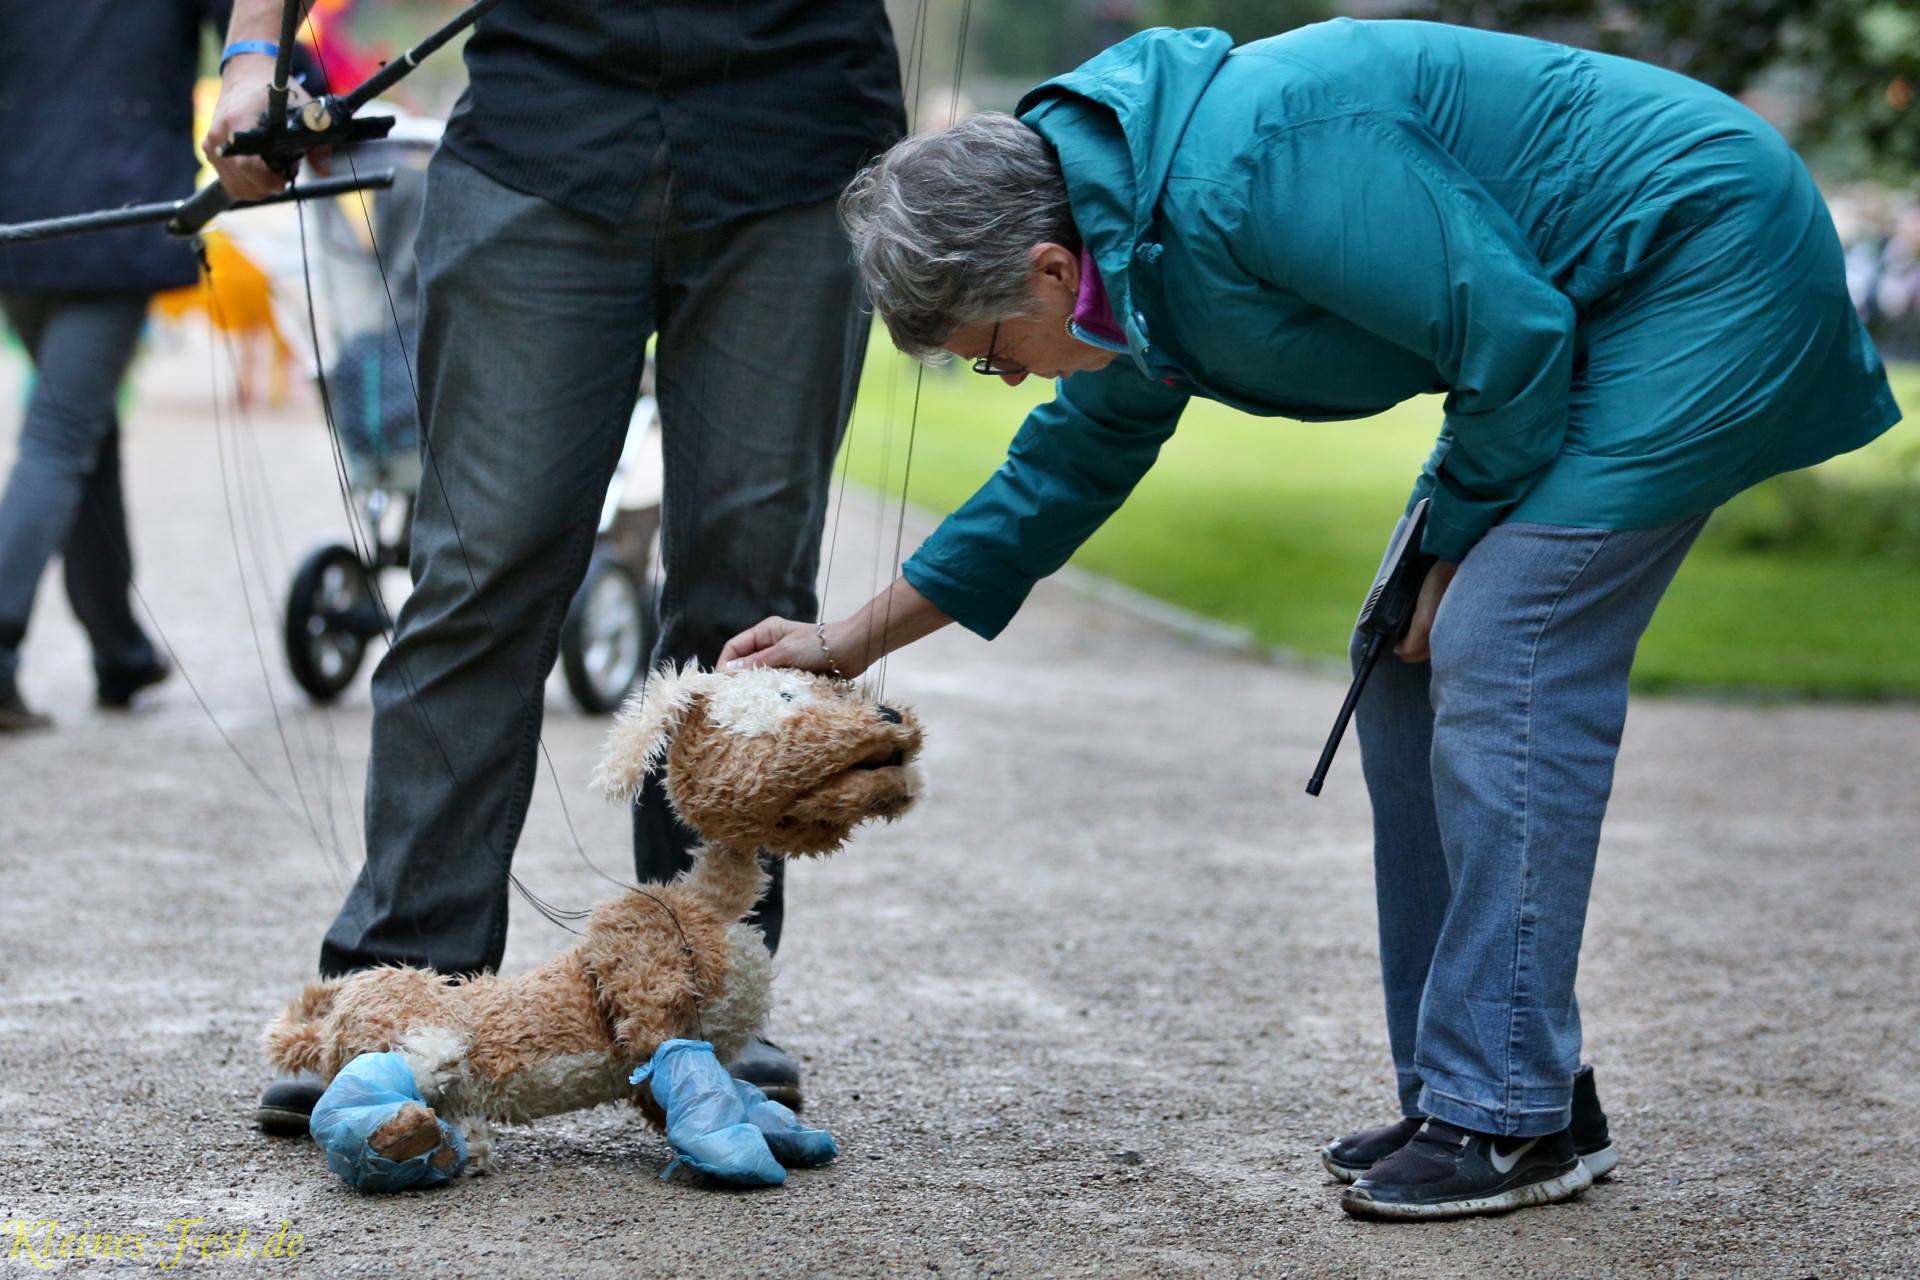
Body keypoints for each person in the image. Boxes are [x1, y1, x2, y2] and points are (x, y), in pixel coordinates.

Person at [719, 20, 1902, 1221]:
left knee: (1503, 640)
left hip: (1699, 255)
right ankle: (1475, 1086)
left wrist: (1452, 547)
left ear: (1041, 270)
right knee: (1400, 654)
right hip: (1565, 308)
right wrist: (843, 645)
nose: (1009, 378)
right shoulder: (1123, 248)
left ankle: (1511, 1113)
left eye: (990, 354)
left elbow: (1510, 330)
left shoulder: (1247, 170)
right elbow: (1055, 479)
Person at [205, 1, 904, 1127]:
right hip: (545, 132)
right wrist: (250, 61)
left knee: (753, 602)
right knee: (478, 577)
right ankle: (396, 992)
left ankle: (700, 999)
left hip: (801, 141)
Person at [0, 2, 217, 729]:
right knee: (60, 437)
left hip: (19, 212)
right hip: (117, 213)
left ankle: (119, 650)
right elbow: (260, 36)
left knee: (81, 431)